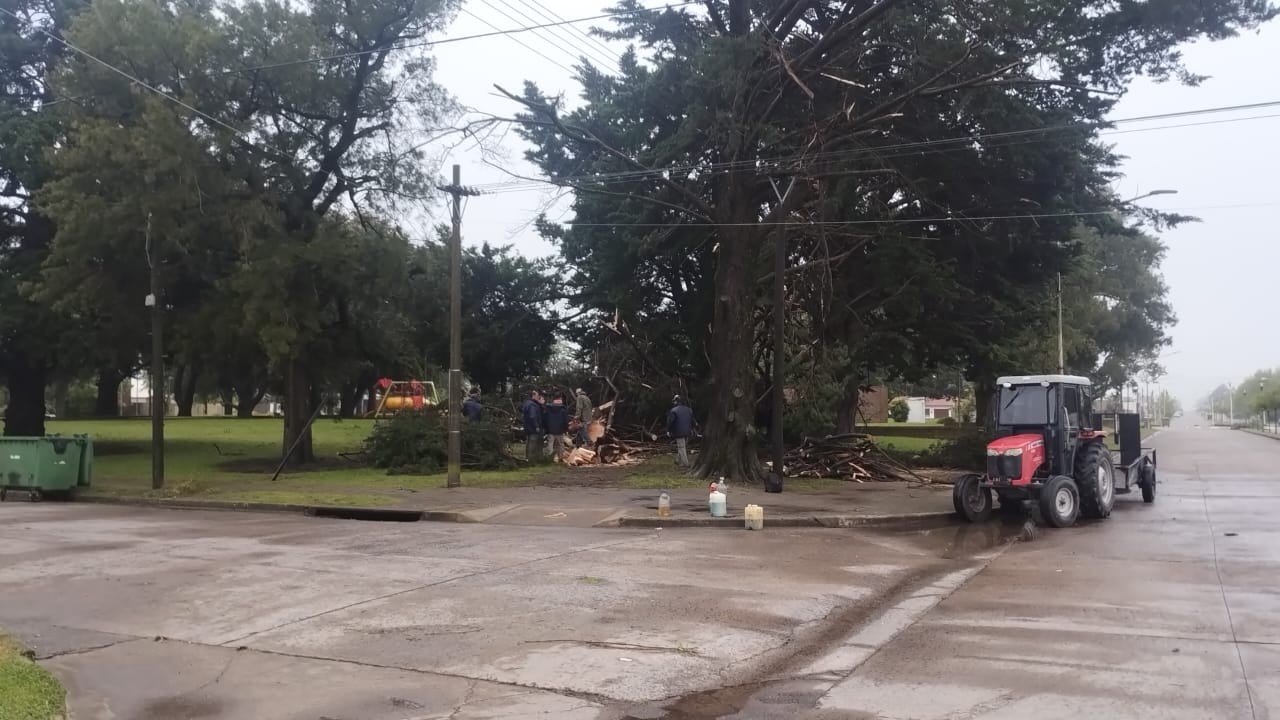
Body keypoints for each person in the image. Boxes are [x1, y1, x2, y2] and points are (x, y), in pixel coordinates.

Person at [667, 395, 695, 467]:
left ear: (676, 401)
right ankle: (677, 460)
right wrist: (692, 429)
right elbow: (692, 421)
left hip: (679, 432)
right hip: (688, 431)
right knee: (681, 446)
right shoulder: (689, 410)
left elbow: (670, 422)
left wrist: (668, 430)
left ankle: (686, 463)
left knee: (681, 447)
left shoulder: (673, 410)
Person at [543, 392, 571, 460]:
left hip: (550, 430)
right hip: (560, 430)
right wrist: (566, 429)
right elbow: (565, 420)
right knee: (560, 444)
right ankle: (560, 457)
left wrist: (546, 428)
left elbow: (545, 419)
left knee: (550, 444)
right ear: (560, 399)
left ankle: (550, 458)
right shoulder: (563, 409)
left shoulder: (548, 408)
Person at [521, 390, 544, 460]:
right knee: (532, 442)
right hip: (533, 427)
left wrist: (540, 404)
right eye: (537, 395)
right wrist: (536, 426)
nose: (538, 397)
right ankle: (531, 458)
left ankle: (528, 457)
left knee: (529, 442)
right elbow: (532, 416)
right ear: (533, 395)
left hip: (528, 426)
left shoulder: (527, 403)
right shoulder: (532, 405)